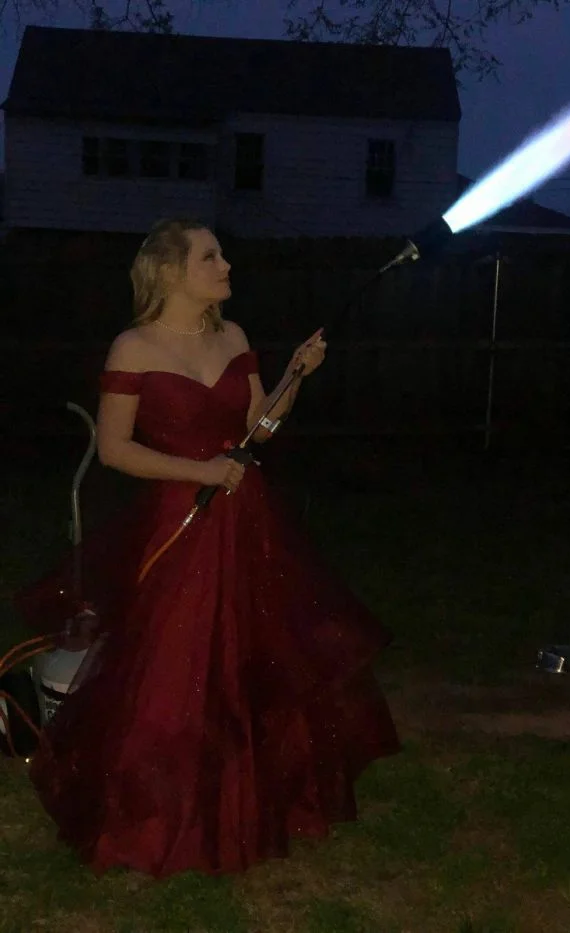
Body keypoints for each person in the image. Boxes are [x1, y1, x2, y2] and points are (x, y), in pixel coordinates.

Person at [23, 218, 401, 878]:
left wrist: (294, 377)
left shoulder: (234, 336)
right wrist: (199, 470)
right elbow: (114, 449)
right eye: (210, 256)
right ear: (171, 272)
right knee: (175, 661)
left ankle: (248, 800)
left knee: (253, 656)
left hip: (247, 517)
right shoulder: (133, 347)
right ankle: (154, 814)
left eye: (221, 254)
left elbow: (260, 428)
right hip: (182, 518)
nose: (226, 265)